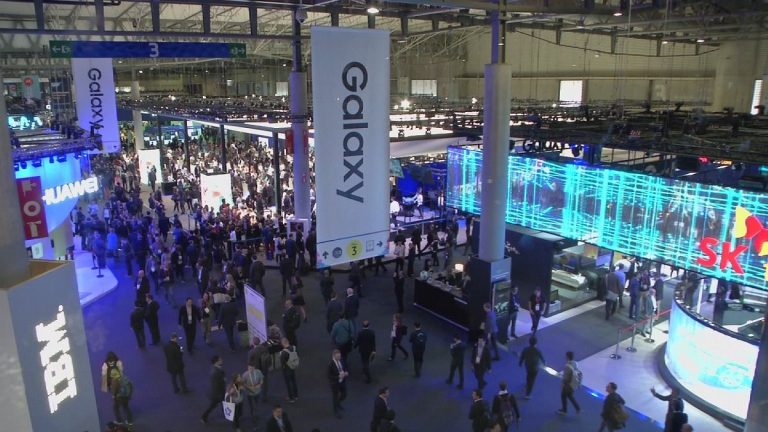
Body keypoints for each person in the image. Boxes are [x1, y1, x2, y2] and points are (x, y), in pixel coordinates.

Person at [201, 355, 226, 424]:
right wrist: (223, 380)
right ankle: (203, 416)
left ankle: (227, 413)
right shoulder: (215, 372)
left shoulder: (217, 369)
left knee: (220, 403)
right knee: (213, 405)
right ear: (216, 362)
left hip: (219, 392)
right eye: (220, 360)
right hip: (217, 394)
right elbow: (216, 385)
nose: (222, 360)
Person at [557, 351, 581, 415]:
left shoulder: (567, 366)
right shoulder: (575, 363)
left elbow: (565, 378)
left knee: (563, 396)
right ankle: (577, 408)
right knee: (570, 395)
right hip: (574, 383)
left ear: (567, 357)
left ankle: (564, 410)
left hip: (568, 385)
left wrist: (562, 385)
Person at [328, 349, 349, 419]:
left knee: (344, 394)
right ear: (334, 356)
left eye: (339, 356)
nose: (339, 358)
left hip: (342, 381)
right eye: (338, 357)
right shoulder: (331, 364)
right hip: (335, 383)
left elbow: (345, 367)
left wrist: (346, 372)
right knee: (335, 397)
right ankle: (336, 411)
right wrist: (338, 377)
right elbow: (329, 376)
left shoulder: (341, 360)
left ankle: (338, 402)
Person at [279, 337, 299, 403]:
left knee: (288, 384)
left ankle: (291, 398)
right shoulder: (294, 348)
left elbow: (282, 363)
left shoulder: (284, 352)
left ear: (283, 344)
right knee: (294, 382)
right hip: (293, 367)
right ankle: (296, 395)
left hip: (287, 369)